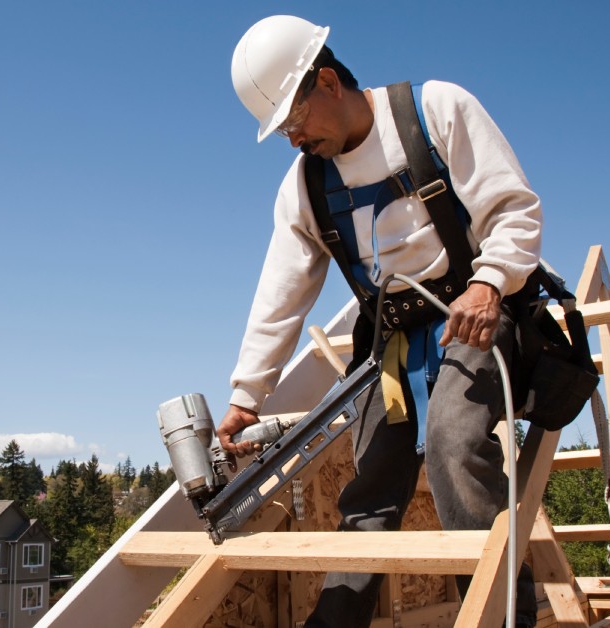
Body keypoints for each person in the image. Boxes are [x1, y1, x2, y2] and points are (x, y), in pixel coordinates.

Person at [218, 15, 542, 628]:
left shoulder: (434, 112)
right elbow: (281, 292)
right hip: (391, 347)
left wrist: (489, 281)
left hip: (471, 321)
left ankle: (501, 614)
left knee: (452, 445)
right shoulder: (306, 186)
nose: (291, 139)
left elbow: (515, 210)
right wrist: (247, 393)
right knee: (371, 485)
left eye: (292, 121)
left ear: (329, 83)